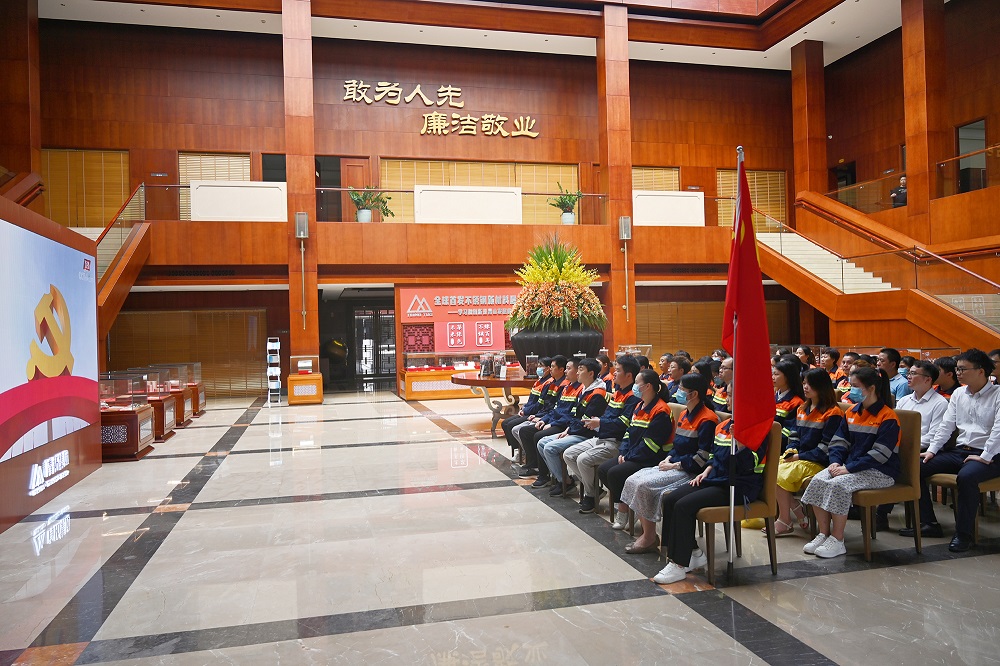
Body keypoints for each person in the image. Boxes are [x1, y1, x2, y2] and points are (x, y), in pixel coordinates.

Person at [652, 391, 767, 584]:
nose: (727, 399)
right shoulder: (723, 425)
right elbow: (714, 455)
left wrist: (741, 443)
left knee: (684, 506)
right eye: (728, 394)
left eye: (732, 395)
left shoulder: (757, 428)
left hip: (738, 486)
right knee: (671, 499)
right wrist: (706, 471)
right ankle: (693, 552)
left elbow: (750, 464)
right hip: (715, 478)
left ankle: (678, 565)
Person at [902, 349, 1000, 552]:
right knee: (916, 467)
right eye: (957, 369)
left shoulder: (997, 395)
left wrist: (985, 456)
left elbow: (998, 431)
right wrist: (932, 450)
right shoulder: (958, 393)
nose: (958, 373)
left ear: (981, 371)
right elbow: (946, 426)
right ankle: (929, 523)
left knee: (967, 477)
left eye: (963, 369)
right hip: (961, 451)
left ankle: (964, 534)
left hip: (990, 454)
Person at [801, 366, 901, 558]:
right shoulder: (851, 412)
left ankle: (838, 540)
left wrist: (849, 468)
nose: (850, 390)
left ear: (871, 388)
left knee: (838, 485)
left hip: (880, 471)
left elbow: (880, 454)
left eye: (855, 386)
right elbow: (838, 441)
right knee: (818, 480)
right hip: (849, 466)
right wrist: (835, 462)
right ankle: (824, 534)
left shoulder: (887, 416)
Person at [620, 373, 718, 554]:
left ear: (694, 394)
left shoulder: (707, 419)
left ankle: (649, 537)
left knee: (644, 485)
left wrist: (675, 465)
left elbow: (702, 457)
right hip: (674, 464)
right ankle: (648, 533)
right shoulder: (684, 414)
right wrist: (669, 458)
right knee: (632, 479)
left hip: (690, 471)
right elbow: (677, 445)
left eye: (682, 389)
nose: (677, 392)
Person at [875, 359, 950, 530]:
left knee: (905, 466)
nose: (908, 376)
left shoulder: (940, 403)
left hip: (927, 451)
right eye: (909, 373)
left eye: (913, 373)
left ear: (928, 379)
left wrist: (907, 447)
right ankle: (875, 512)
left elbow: (934, 436)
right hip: (903, 448)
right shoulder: (905, 400)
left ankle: (926, 521)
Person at [564, 356, 641, 514]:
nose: (614, 373)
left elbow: (623, 425)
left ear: (629, 375)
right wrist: (598, 423)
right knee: (569, 454)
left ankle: (590, 496)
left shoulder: (633, 397)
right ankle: (595, 490)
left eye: (618, 370)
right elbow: (607, 416)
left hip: (617, 442)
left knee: (583, 460)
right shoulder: (617, 393)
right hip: (601, 436)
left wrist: (600, 423)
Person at [599, 369, 674, 531]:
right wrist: (623, 452)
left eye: (636, 383)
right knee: (603, 470)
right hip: (633, 454)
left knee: (615, 473)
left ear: (647, 386)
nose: (634, 386)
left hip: (652, 457)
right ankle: (628, 504)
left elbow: (651, 445)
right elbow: (628, 432)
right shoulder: (640, 405)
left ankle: (624, 510)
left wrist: (629, 457)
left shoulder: (661, 410)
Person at [772, 368, 843, 537]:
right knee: (770, 469)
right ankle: (795, 508)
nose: (805, 387)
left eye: (810, 384)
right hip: (801, 457)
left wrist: (798, 456)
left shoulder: (833, 412)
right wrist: (791, 450)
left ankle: (785, 519)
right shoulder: (802, 408)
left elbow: (827, 447)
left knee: (780, 474)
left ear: (822, 386)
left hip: (819, 461)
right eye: (804, 383)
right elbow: (794, 435)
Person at [533, 358, 608, 496]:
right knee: (541, 443)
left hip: (586, 434)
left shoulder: (597, 394)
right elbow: (574, 415)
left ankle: (566, 483)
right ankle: (564, 480)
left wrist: (570, 430)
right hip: (574, 430)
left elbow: (586, 421)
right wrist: (568, 429)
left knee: (550, 448)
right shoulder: (584, 389)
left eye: (580, 370)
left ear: (591, 373)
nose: (577, 373)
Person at [521, 359, 581, 482]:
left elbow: (571, 416)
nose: (566, 371)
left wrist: (552, 423)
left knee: (538, 436)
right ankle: (539, 467)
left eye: (569, 368)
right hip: (555, 420)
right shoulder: (567, 387)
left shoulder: (580, 390)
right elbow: (554, 409)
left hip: (564, 425)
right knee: (525, 430)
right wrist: (544, 419)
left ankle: (545, 475)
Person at [510, 356, 568, 476]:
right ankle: (531, 460)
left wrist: (547, 421)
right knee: (514, 427)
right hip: (548, 416)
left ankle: (548, 473)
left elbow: (564, 412)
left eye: (552, 367)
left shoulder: (564, 385)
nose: (550, 369)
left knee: (530, 433)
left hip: (561, 423)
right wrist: (538, 415)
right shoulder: (553, 383)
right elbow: (549, 406)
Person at [501, 356, 553, 460]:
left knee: (512, 425)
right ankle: (517, 449)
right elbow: (531, 400)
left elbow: (539, 404)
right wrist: (523, 408)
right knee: (505, 423)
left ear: (548, 368)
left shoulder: (548, 383)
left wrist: (526, 411)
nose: (538, 368)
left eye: (541, 366)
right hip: (529, 410)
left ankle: (524, 453)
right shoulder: (538, 381)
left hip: (536, 412)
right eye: (538, 365)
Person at [773, 358, 806, 447]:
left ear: (788, 377)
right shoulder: (772, 397)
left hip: (778, 444)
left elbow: (788, 431)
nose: (773, 377)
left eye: (776, 374)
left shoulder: (796, 402)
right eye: (773, 374)